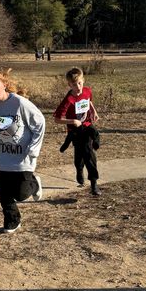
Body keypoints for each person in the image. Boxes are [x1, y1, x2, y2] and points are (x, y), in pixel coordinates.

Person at [0, 69, 45, 234]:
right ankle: (12, 220)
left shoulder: (19, 103)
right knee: (2, 190)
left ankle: (34, 184)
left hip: (22, 158)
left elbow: (40, 123)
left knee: (21, 195)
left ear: (4, 85)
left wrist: (34, 149)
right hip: (1, 157)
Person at [54, 66, 101, 196]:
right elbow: (57, 119)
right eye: (74, 85)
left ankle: (94, 183)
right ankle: (79, 170)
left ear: (83, 81)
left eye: (79, 83)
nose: (78, 87)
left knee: (89, 153)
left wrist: (94, 112)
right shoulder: (68, 100)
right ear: (69, 85)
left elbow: (89, 101)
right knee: (79, 154)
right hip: (75, 131)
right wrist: (72, 122)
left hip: (87, 126)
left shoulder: (87, 91)